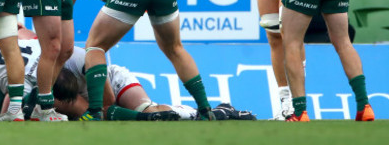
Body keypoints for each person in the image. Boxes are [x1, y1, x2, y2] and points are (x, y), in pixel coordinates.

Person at [67, 0, 215, 121]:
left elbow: (67, 0)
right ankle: (206, 109)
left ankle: (95, 112)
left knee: (95, 46)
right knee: (175, 48)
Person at [53, 47, 256, 121]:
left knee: (150, 112)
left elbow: (108, 102)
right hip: (82, 95)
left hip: (112, 82)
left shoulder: (78, 57)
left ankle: (219, 111)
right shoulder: (38, 80)